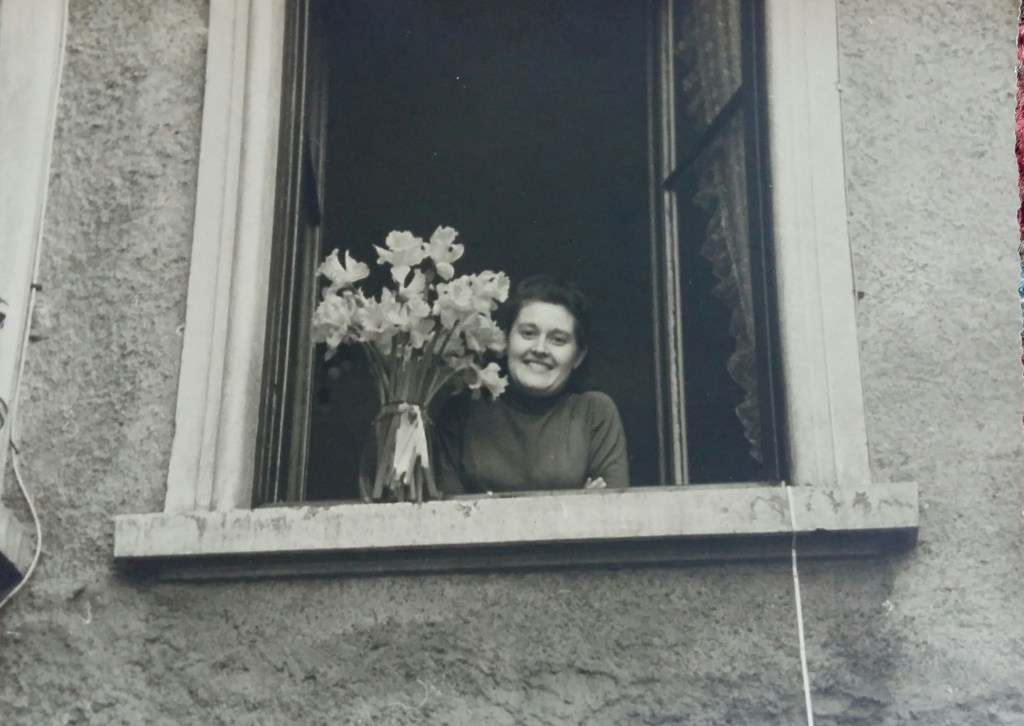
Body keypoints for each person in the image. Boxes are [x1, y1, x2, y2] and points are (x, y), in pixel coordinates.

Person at [436, 274, 630, 494]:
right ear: (505, 340)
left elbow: (609, 509)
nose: (539, 349)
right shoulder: (463, 410)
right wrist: (577, 502)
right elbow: (447, 512)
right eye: (528, 333)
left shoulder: (595, 413)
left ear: (578, 356)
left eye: (558, 339)